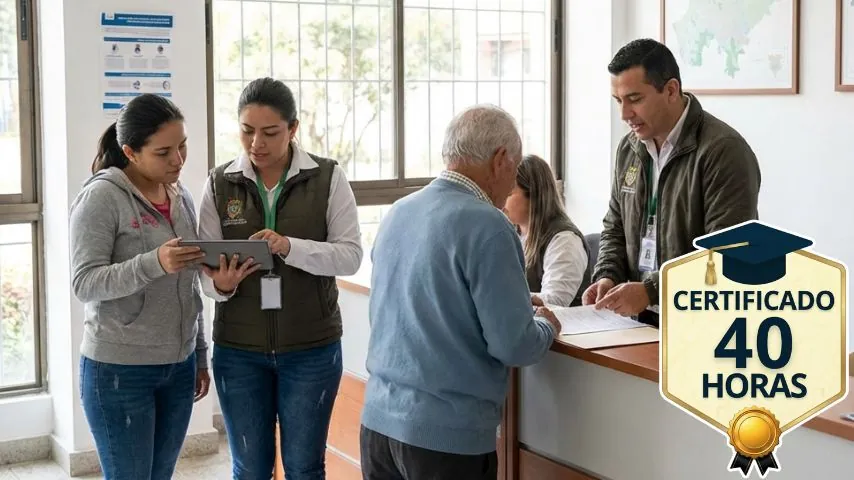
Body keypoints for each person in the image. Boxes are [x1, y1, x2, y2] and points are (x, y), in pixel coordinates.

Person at [359, 104, 562, 480]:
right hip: (446, 440)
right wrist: (546, 326)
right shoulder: (490, 226)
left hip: (379, 424)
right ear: (501, 160)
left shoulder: (399, 212)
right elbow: (514, 345)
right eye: (515, 168)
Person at [197, 77, 363, 480]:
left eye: (270, 132)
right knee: (250, 468)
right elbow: (203, 273)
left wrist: (291, 247)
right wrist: (222, 283)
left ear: (292, 129)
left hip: (311, 350)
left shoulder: (327, 177)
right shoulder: (220, 183)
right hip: (239, 351)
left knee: (305, 467)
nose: (256, 143)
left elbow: (351, 256)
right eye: (247, 130)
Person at [69, 94, 210, 480]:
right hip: (119, 371)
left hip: (178, 367)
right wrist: (154, 263)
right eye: (164, 152)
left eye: (182, 146)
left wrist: (198, 354)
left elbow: (189, 286)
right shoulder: (101, 197)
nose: (178, 160)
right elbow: (85, 282)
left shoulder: (180, 197)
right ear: (130, 151)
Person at [582, 38, 761, 324]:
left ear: (671, 90)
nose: (624, 114)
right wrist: (607, 274)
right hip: (638, 323)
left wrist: (651, 290)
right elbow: (614, 227)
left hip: (706, 324)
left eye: (635, 99)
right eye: (618, 101)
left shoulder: (723, 151)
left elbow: (726, 254)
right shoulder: (629, 148)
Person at [503, 154, 590, 307]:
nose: (502, 198)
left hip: (564, 328)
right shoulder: (511, 232)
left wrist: (501, 295)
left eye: (509, 192)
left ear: (533, 194)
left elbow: (555, 301)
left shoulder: (565, 240)